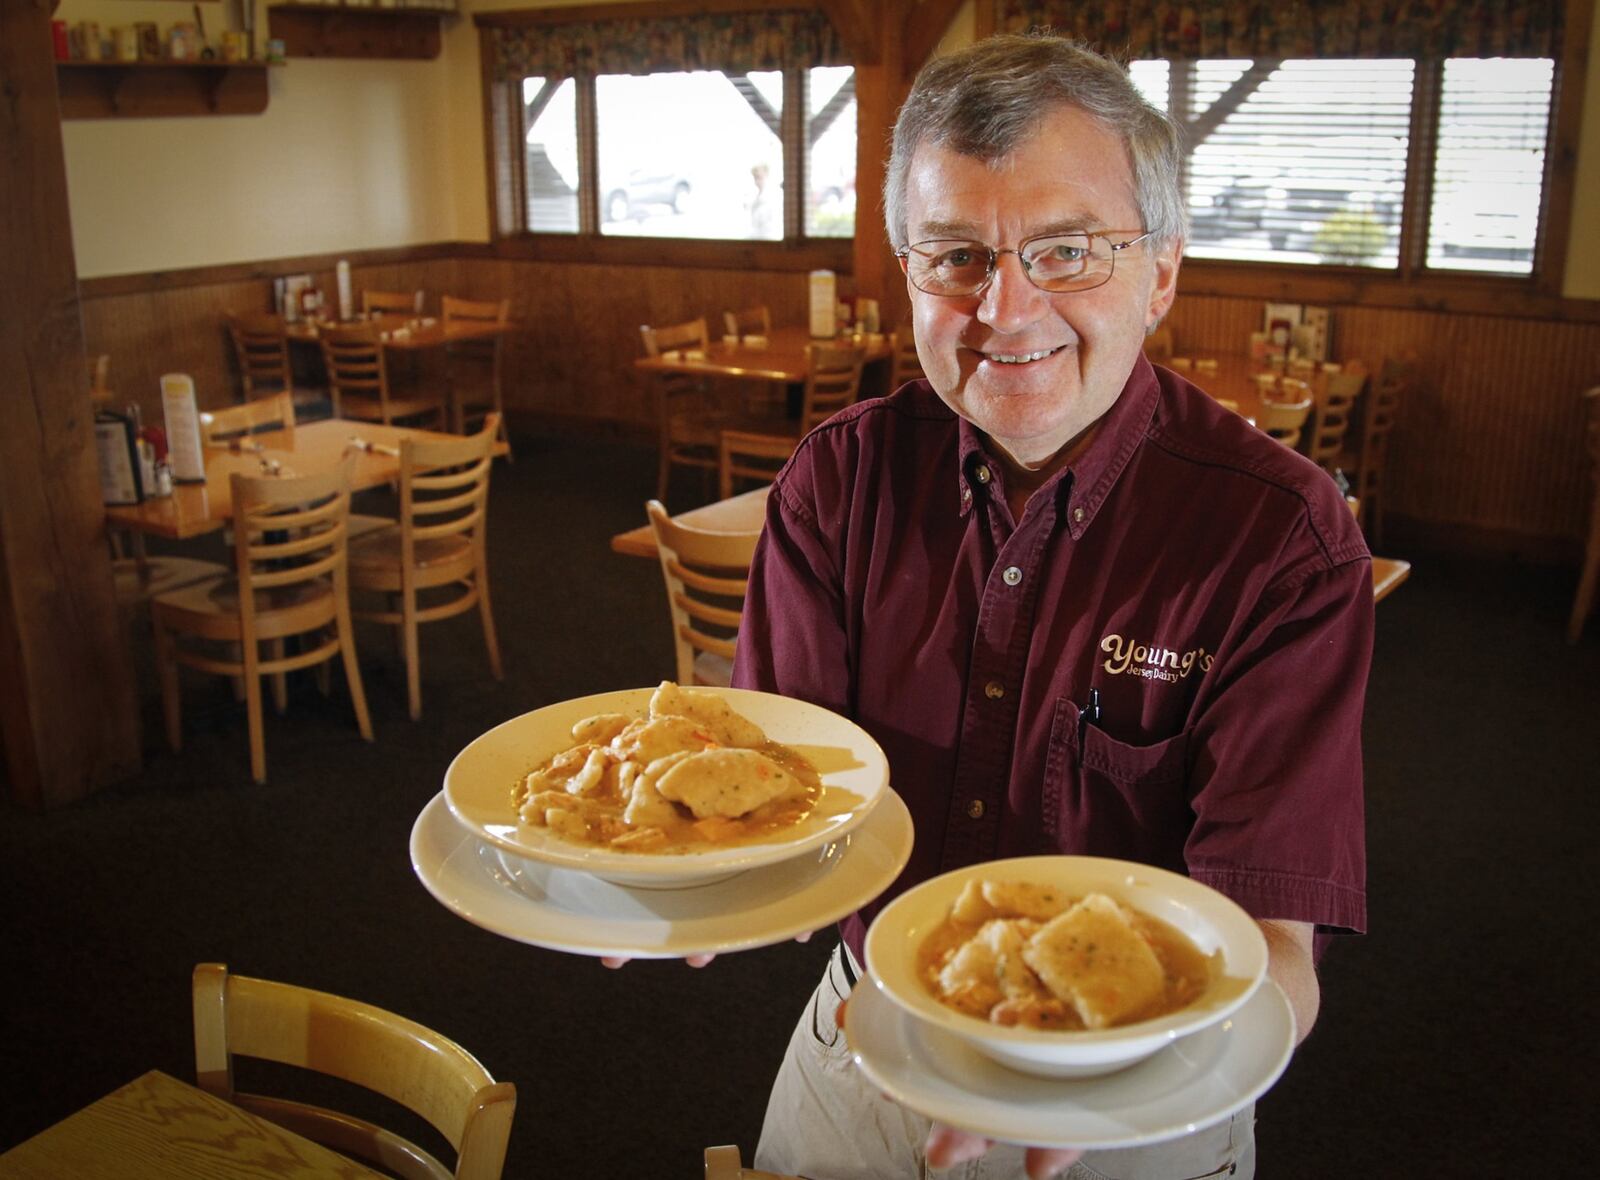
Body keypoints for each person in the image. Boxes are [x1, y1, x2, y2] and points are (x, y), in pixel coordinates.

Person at [731, 33, 1371, 1180]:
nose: (1006, 310)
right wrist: (663, 886)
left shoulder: (1282, 537)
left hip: (1144, 1082)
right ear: (907, 271)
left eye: (1067, 251)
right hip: (866, 1027)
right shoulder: (839, 479)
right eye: (957, 256)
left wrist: (1112, 1086)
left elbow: (1274, 946)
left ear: (1162, 271)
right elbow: (783, 802)